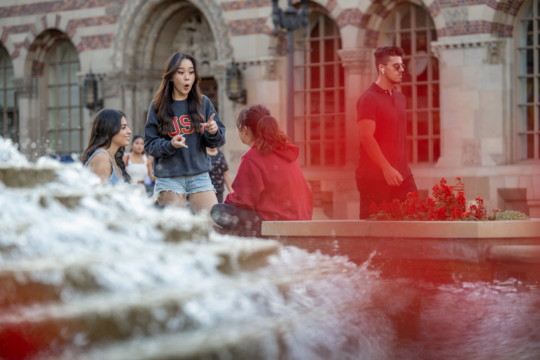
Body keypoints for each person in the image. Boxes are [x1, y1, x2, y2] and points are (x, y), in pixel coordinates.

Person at [211, 104, 313, 237]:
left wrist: (228, 200)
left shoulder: (252, 157)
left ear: (245, 130)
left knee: (218, 211)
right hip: (302, 220)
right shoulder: (285, 151)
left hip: (277, 224)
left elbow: (242, 200)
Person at [144, 52, 226, 217]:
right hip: (169, 178)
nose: (187, 77)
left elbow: (218, 140)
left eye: (191, 72)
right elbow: (150, 145)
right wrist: (170, 145)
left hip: (200, 175)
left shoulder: (203, 103)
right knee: (175, 230)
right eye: (181, 72)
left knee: (213, 224)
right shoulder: (158, 106)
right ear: (171, 76)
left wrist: (213, 131)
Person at [356, 46, 418, 219]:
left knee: (416, 222)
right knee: (374, 236)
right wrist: (386, 168)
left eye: (402, 66)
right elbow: (366, 137)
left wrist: (399, 168)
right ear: (381, 68)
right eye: (396, 66)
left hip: (402, 175)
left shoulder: (400, 98)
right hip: (374, 178)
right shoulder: (368, 98)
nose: (402, 70)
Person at [81, 108, 132, 186]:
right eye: (123, 127)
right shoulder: (102, 157)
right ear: (109, 129)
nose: (129, 131)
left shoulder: (113, 157)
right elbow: (97, 196)